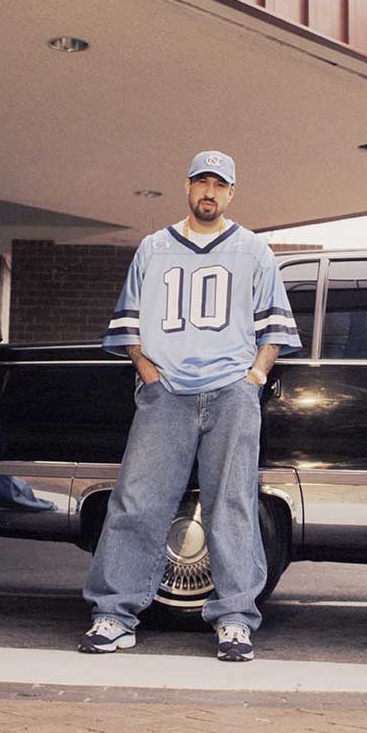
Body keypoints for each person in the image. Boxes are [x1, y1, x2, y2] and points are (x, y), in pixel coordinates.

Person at [79, 151, 302, 661]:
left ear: (230, 193)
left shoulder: (253, 250)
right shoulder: (153, 248)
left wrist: (254, 377)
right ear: (187, 187)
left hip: (231, 391)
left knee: (234, 505)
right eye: (201, 181)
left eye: (218, 184)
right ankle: (114, 613)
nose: (209, 191)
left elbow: (275, 329)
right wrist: (148, 373)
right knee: (137, 501)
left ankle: (235, 619)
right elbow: (129, 323)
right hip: (167, 393)